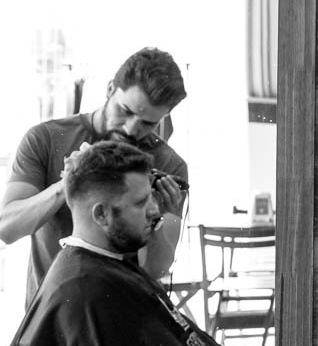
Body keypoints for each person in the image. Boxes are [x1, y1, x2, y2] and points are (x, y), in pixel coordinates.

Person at [1, 140, 273, 346]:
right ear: (101, 215)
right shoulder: (86, 295)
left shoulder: (105, 268)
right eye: (141, 203)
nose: (155, 210)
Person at [0, 47, 189, 306]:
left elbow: (156, 270)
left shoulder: (169, 164)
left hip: (122, 313)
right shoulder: (45, 139)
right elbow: (7, 229)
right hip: (52, 313)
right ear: (110, 89)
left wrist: (154, 219)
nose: (131, 129)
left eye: (148, 123)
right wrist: (66, 184)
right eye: (126, 111)